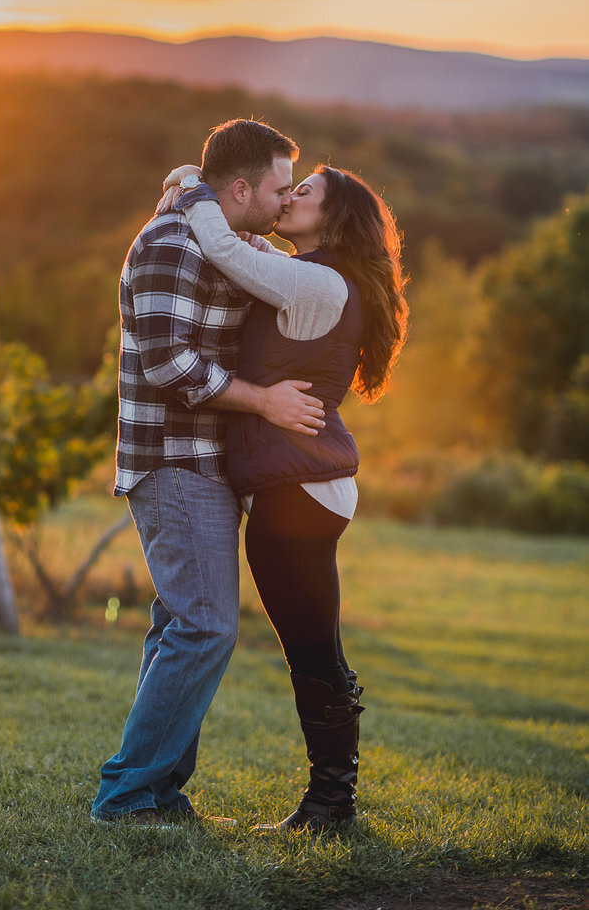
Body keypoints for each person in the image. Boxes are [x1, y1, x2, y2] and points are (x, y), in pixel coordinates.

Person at [90, 119, 329, 827]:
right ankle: (127, 796)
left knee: (179, 627)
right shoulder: (169, 244)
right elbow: (169, 365)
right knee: (206, 628)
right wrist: (264, 401)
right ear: (242, 188)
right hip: (172, 461)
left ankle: (157, 793)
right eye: (281, 189)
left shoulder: (230, 242)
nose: (288, 202)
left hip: (207, 465)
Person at [163, 161, 409, 832]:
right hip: (305, 488)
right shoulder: (321, 277)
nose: (290, 198)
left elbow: (221, 246)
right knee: (316, 650)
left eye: (305, 193)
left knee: (313, 654)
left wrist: (195, 192)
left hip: (297, 493)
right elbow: (254, 252)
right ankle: (334, 803)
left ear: (333, 217)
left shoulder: (319, 282)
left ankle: (332, 806)